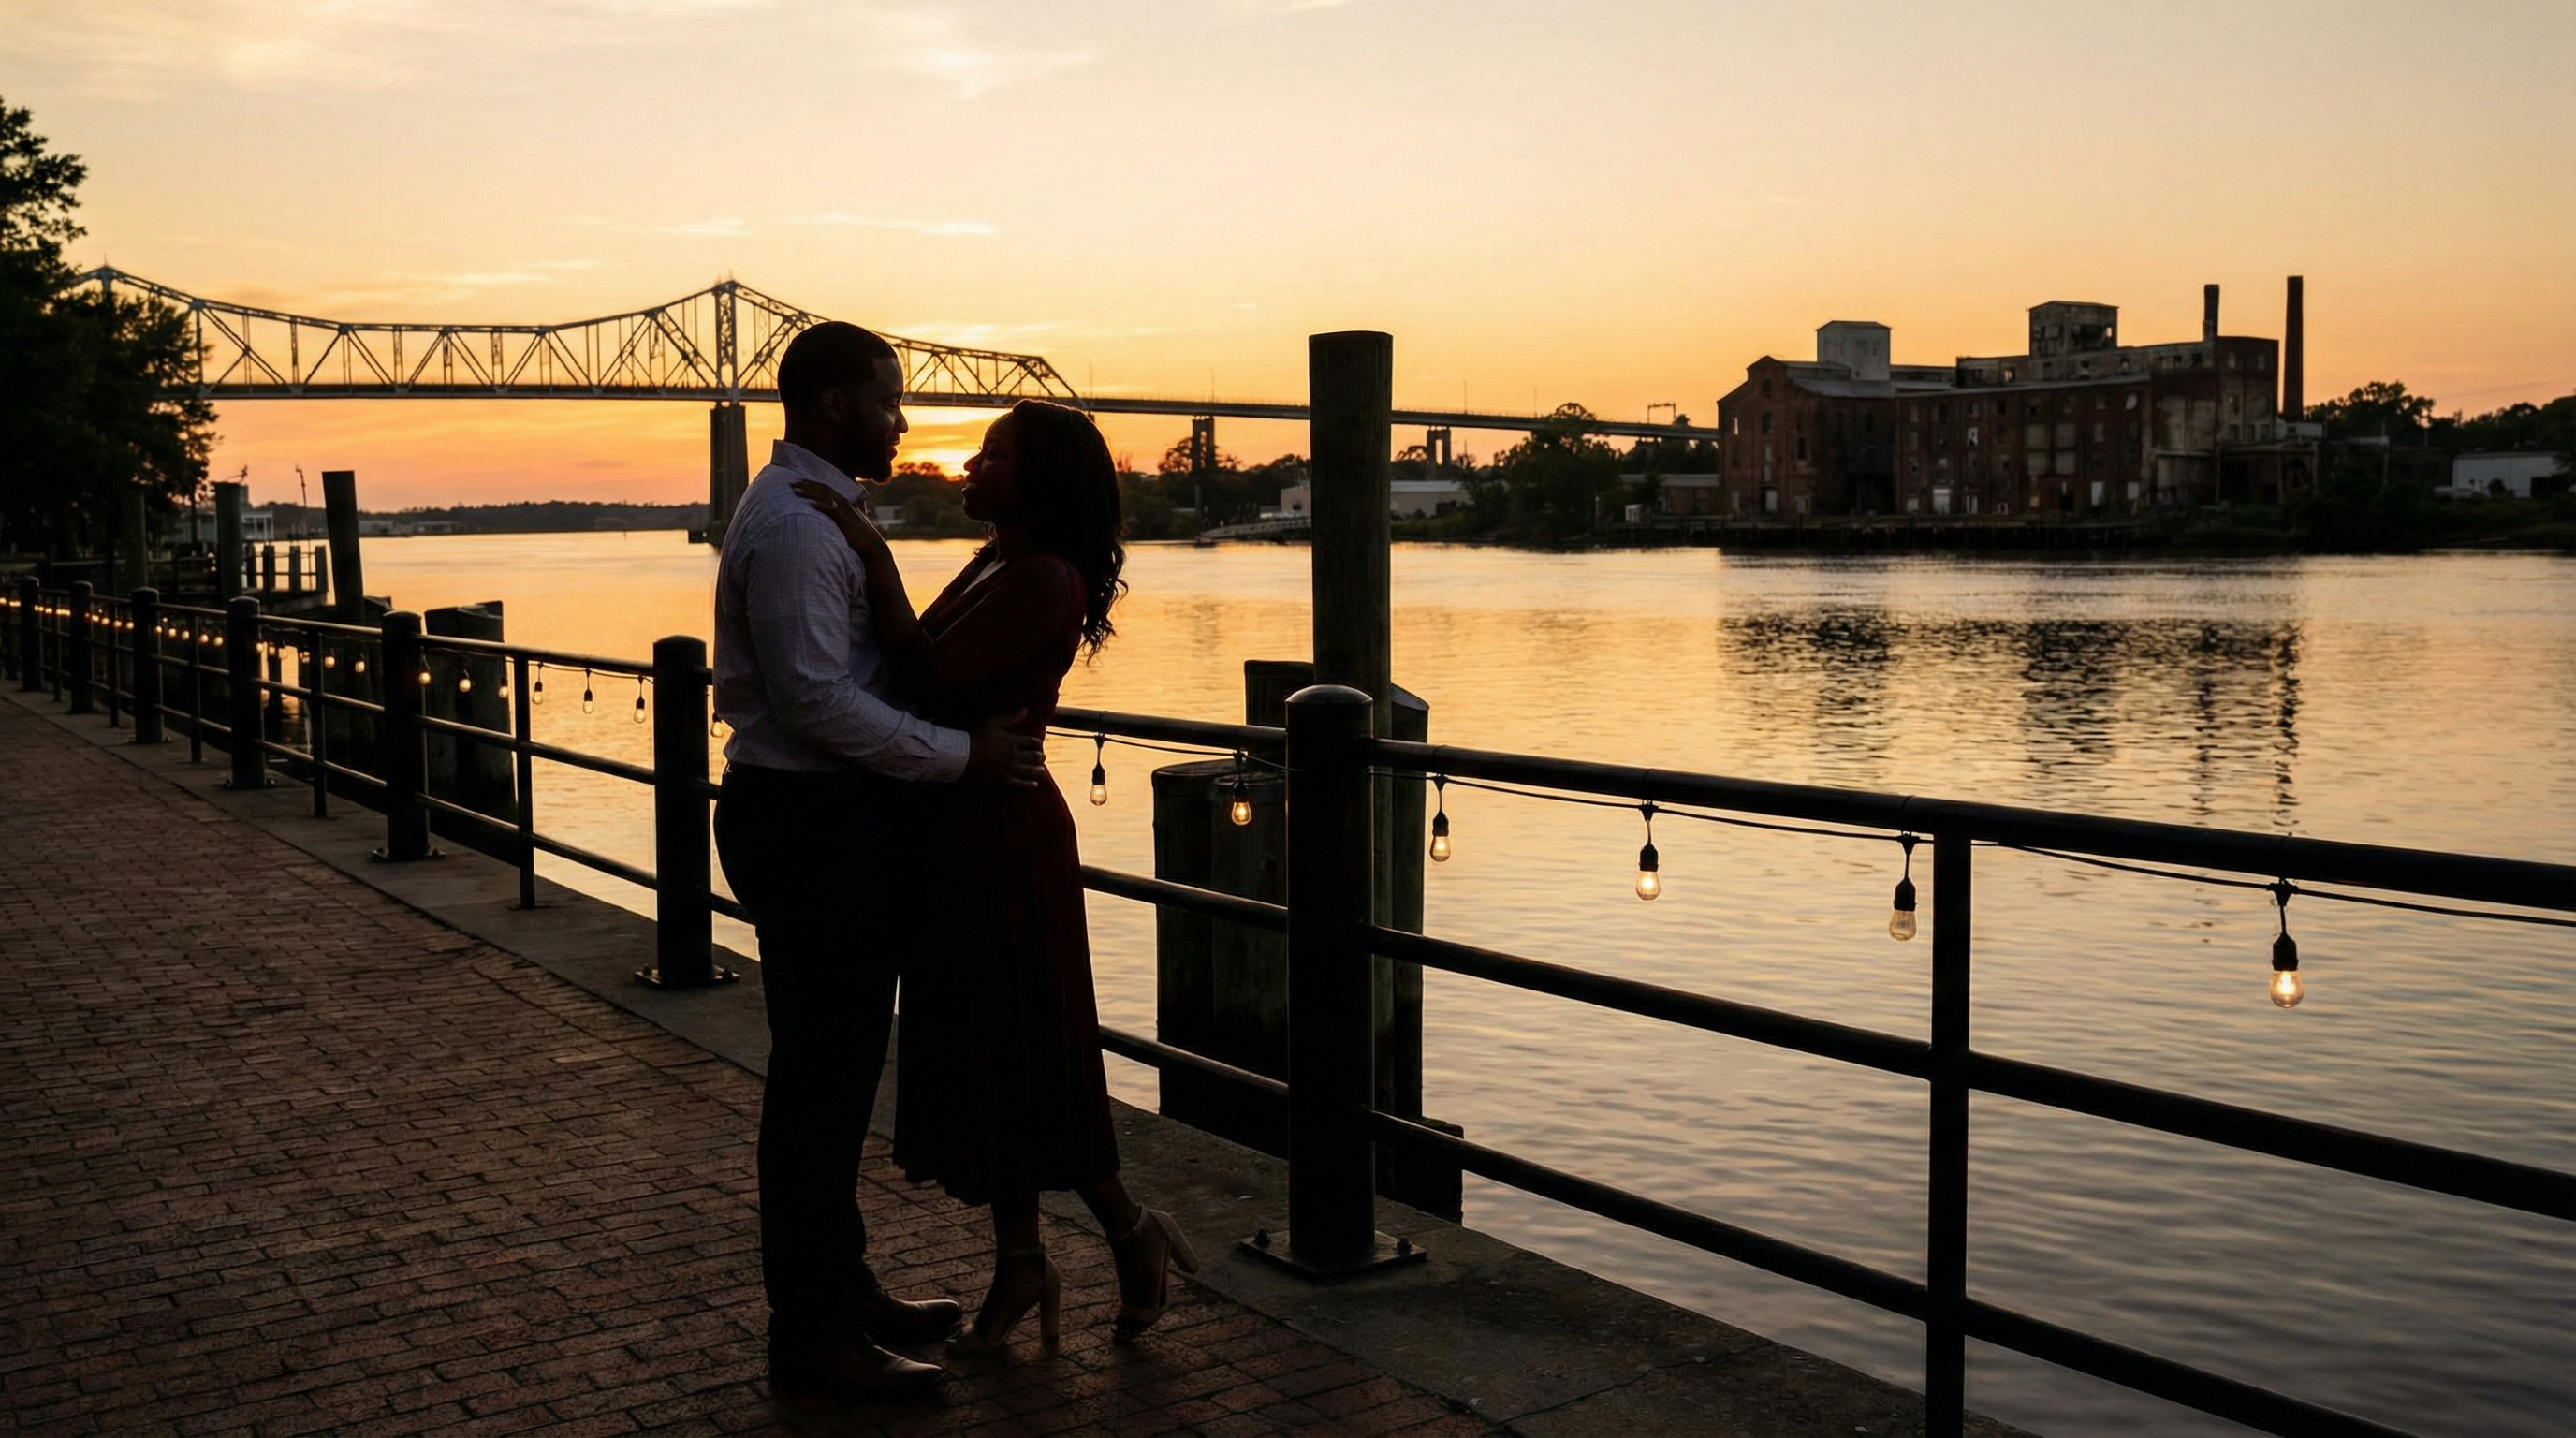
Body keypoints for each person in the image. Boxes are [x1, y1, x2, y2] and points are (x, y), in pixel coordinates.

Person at [791, 399, 1199, 1356]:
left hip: (1003, 836)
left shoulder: (1045, 579)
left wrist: (868, 549)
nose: (971, 466)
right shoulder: (997, 561)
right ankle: (1021, 1262)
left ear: (1040, 479)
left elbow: (925, 679)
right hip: (954, 826)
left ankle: (1131, 1234)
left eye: (995, 456)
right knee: (989, 1052)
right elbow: (912, 676)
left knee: (1029, 1048)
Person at [710, 321, 1046, 1396]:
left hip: (820, 824)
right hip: (808, 825)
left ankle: (839, 1292)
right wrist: (960, 757)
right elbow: (814, 704)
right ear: (837, 404)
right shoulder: (803, 531)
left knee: (833, 1080)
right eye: (890, 399)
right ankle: (813, 1342)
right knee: (819, 1089)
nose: (905, 420)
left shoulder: (822, 517)